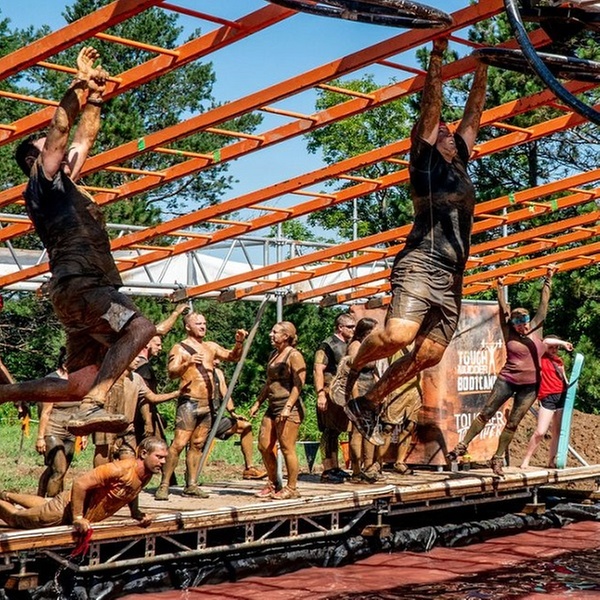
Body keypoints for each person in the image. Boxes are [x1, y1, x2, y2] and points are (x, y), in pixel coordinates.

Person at [330, 38, 489, 445]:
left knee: (430, 354)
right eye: (444, 134)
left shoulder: (460, 163)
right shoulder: (424, 163)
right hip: (420, 262)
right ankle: (349, 368)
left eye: (454, 136)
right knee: (400, 334)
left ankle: (369, 403)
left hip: (452, 274)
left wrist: (485, 65)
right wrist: (436, 57)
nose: (452, 135)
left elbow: (474, 114)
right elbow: (431, 111)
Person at [9, 46, 156, 435]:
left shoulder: (63, 186)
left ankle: (5, 393)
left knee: (75, 383)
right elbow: (61, 129)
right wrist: (76, 86)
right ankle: (96, 402)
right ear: (37, 160)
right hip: (85, 286)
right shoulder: (42, 181)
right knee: (141, 328)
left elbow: (83, 138)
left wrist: (95, 95)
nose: (60, 150)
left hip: (74, 292)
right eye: (48, 149)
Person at [447, 267, 561, 476]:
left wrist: (548, 280)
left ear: (528, 321)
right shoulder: (508, 331)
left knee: (513, 422)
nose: (521, 326)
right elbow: (502, 310)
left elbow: (543, 307)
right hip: (507, 380)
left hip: (530, 386)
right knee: (487, 413)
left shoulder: (537, 328)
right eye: (517, 322)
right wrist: (500, 287)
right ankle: (462, 446)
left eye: (523, 321)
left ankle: (497, 459)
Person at [154, 312, 248, 501]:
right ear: (188, 327)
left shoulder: (210, 347)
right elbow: (171, 373)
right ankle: (164, 485)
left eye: (204, 323)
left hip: (208, 404)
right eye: (198, 323)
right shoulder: (179, 348)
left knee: (197, 445)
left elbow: (233, 357)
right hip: (189, 402)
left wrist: (239, 343)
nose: (203, 326)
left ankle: (192, 484)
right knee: (179, 443)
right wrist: (187, 363)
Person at [0, 437, 167, 532]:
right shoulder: (119, 469)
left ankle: (7, 495)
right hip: (61, 513)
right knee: (16, 519)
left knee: (45, 504)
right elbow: (79, 484)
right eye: (159, 457)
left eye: (164, 457)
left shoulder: (146, 473)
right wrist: (78, 518)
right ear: (144, 454)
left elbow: (132, 490)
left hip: (64, 505)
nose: (163, 461)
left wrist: (135, 511)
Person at [250, 321, 306, 500]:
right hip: (272, 406)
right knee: (264, 445)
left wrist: (289, 406)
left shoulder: (294, 355)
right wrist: (258, 402)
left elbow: (299, 383)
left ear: (286, 336)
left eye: (275, 332)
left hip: (289, 407)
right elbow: (269, 382)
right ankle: (273, 482)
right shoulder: (274, 354)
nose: (270, 335)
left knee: (287, 447)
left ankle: (292, 488)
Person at [93, 358, 178, 466]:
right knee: (103, 459)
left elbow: (152, 397)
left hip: (127, 428)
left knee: (129, 464)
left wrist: (176, 393)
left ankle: (123, 482)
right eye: (134, 357)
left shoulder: (137, 378)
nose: (137, 360)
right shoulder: (107, 376)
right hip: (106, 425)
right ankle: (100, 482)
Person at [134, 303, 189, 444]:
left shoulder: (138, 364)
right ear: (147, 344)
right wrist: (148, 421)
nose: (161, 347)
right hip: (140, 416)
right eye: (157, 344)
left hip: (140, 414)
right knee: (154, 448)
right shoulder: (143, 367)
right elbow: (144, 398)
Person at [36, 347, 87, 498]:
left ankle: (39, 497)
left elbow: (81, 409)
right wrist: (40, 437)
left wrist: (82, 434)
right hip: (53, 429)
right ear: (65, 365)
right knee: (59, 469)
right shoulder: (52, 381)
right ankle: (51, 504)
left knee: (56, 469)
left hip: (71, 431)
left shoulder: (77, 382)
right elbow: (45, 412)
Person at [314, 313, 355, 484]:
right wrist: (321, 394)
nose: (353, 330)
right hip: (329, 391)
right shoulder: (328, 345)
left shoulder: (349, 344)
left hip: (342, 394)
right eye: (350, 327)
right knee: (329, 431)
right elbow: (318, 369)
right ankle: (328, 469)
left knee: (337, 430)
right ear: (340, 327)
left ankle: (336, 467)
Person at [520, 338, 573, 469]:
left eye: (556, 348)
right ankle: (526, 459)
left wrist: (564, 377)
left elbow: (565, 381)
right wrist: (563, 343)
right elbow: (545, 341)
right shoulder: (541, 357)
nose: (554, 350)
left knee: (557, 431)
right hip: (547, 396)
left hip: (561, 396)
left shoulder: (559, 361)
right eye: (552, 347)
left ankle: (551, 460)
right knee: (541, 431)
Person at [212, 359, 267, 480]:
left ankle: (249, 468)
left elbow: (225, 394)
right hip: (198, 418)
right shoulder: (196, 370)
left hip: (215, 419)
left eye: (218, 358)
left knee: (245, 426)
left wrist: (232, 413)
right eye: (214, 358)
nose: (216, 361)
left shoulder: (218, 373)